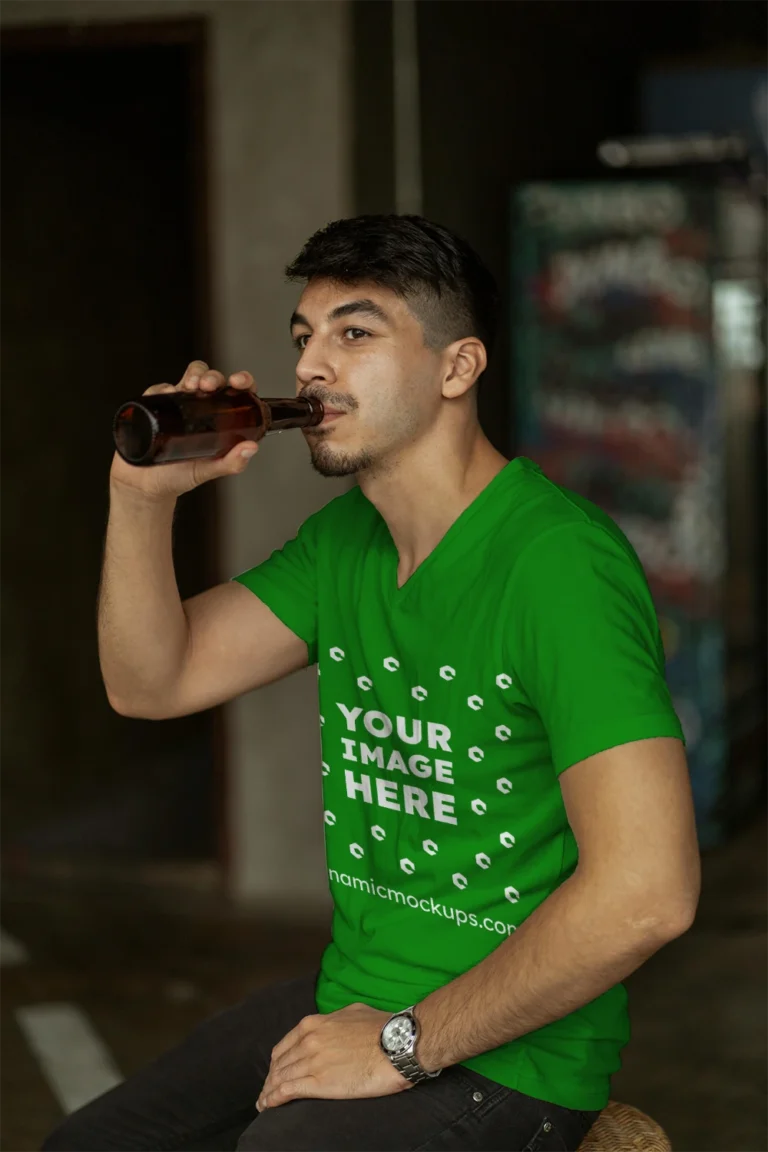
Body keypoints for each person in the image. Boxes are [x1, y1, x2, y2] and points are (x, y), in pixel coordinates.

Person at [47, 215, 700, 1152]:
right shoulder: (343, 544)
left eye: (355, 333)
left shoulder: (558, 568)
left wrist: (404, 1045)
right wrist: (140, 500)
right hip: (353, 994)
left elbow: (649, 892)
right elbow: (153, 682)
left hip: (510, 1059)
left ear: (457, 367)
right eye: (304, 337)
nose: (312, 366)